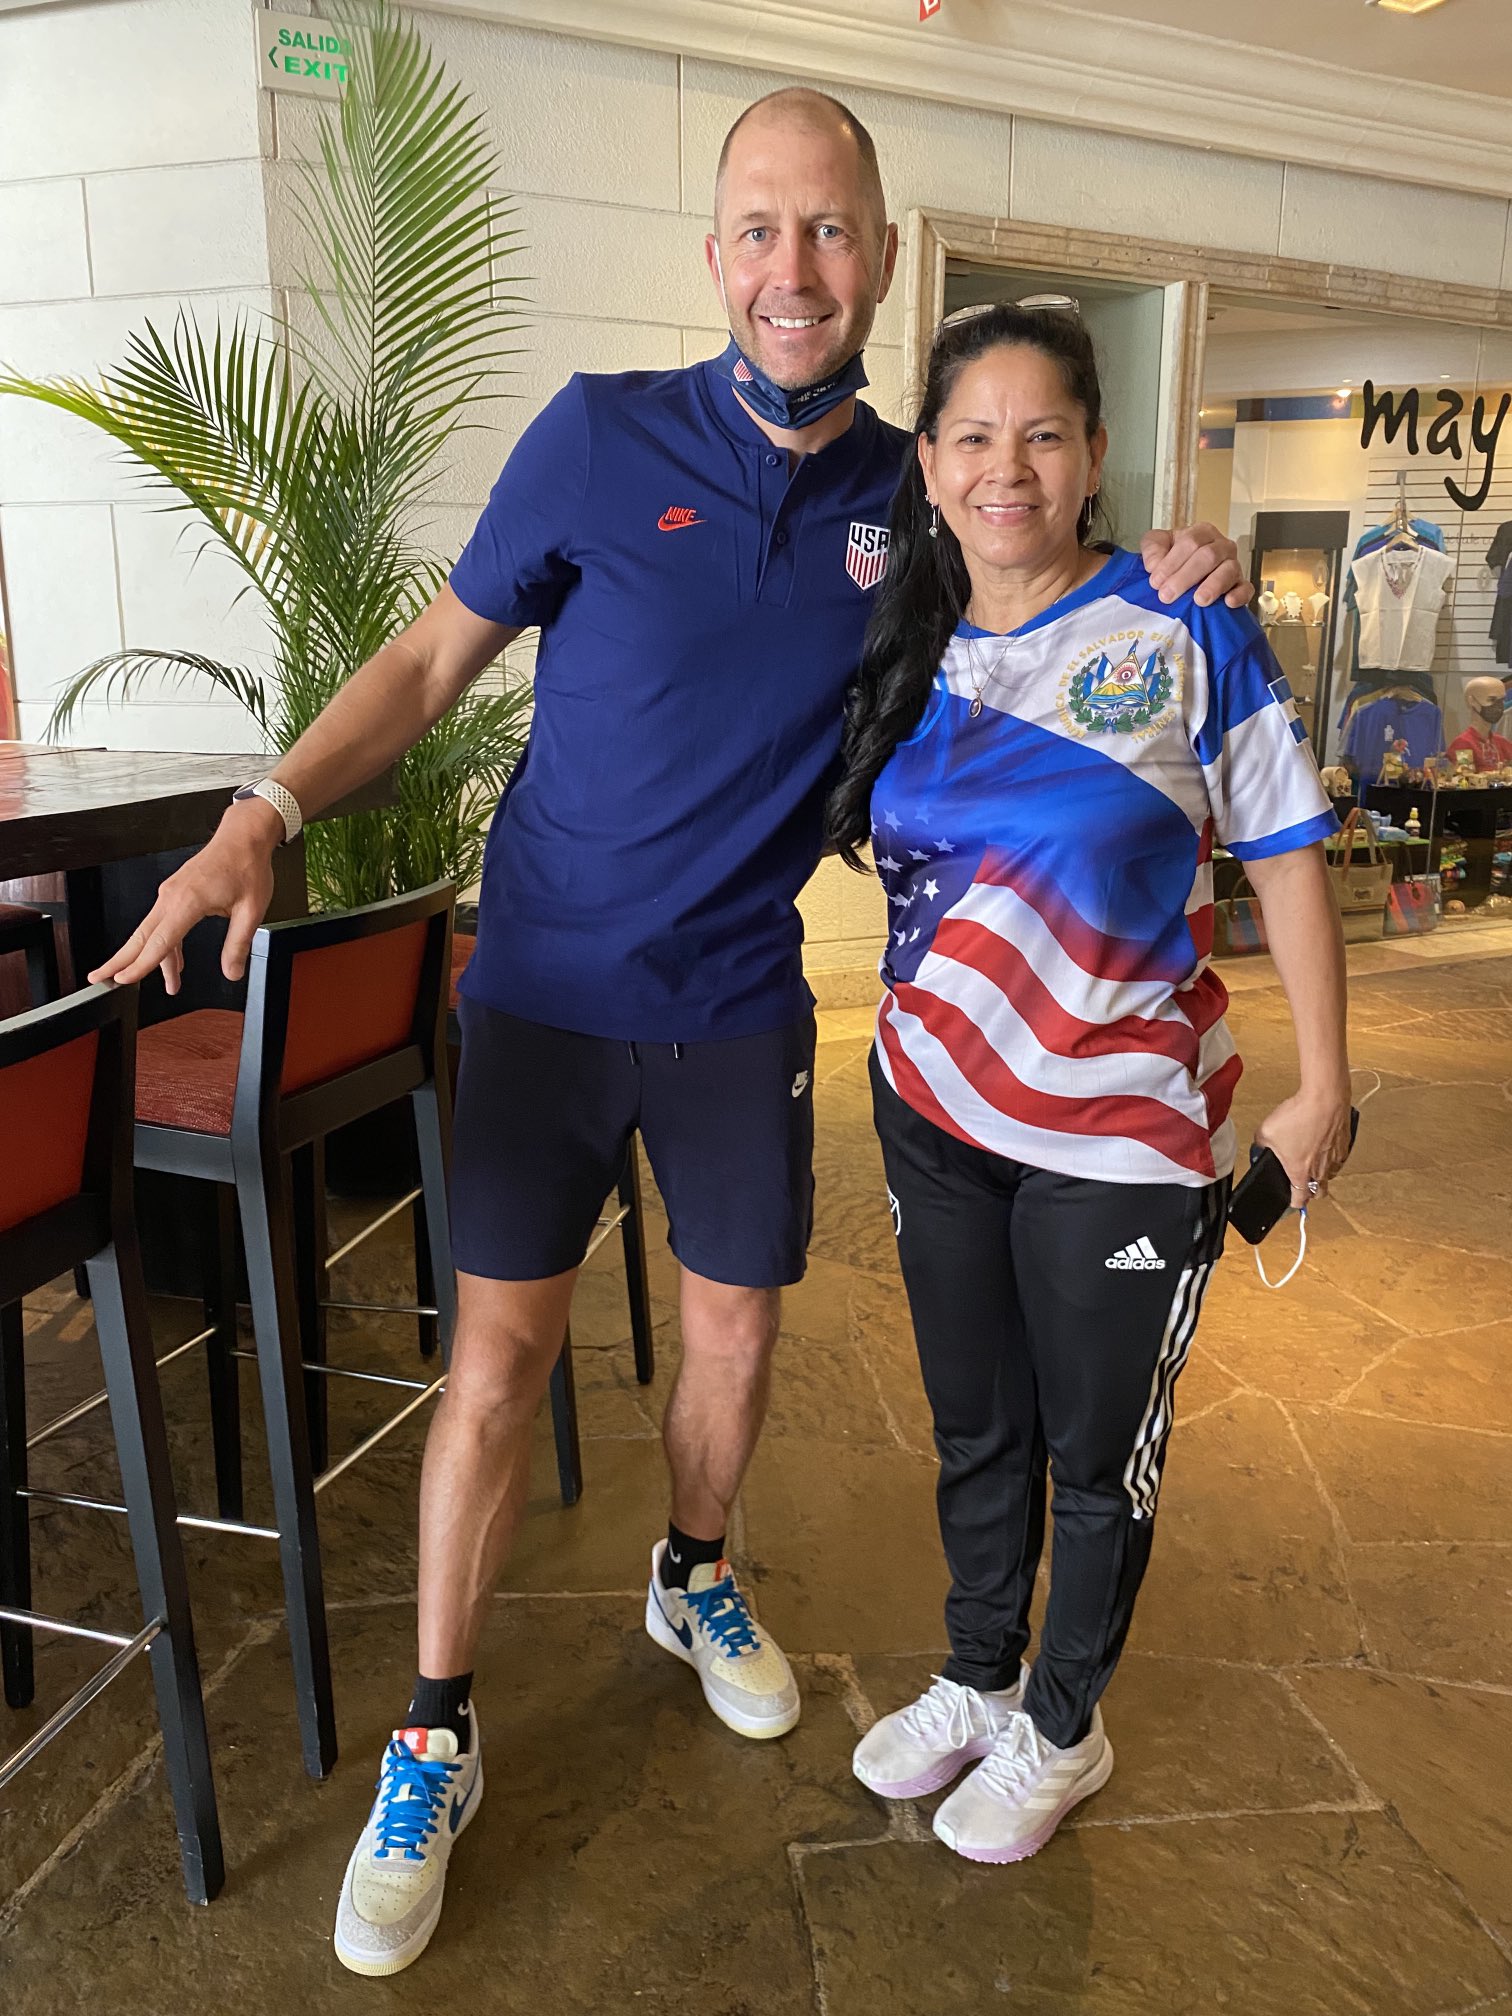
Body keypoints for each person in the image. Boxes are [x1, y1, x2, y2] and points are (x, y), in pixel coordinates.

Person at [89, 95, 1250, 1971]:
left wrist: (1184, 564)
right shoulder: (597, 435)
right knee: (495, 1369)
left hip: (735, 1004)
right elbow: (424, 661)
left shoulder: (912, 497)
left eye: (832, 230)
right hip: (543, 994)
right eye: (761, 229)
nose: (796, 268)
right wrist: (262, 814)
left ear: (880, 255)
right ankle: (434, 1735)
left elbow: (1043, 561)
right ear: (717, 256)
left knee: (735, 1333)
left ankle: (692, 1574)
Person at [826, 301, 1354, 1866]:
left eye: (1043, 435)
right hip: (931, 1108)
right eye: (974, 438)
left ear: (1095, 454)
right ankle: (982, 1673)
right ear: (930, 466)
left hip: (1119, 1130)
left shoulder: (1183, 623)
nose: (1009, 468)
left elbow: (1287, 851)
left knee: (1095, 1455)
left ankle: (1064, 1725)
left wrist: (1324, 1084)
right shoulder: (902, 644)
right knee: (976, 1427)